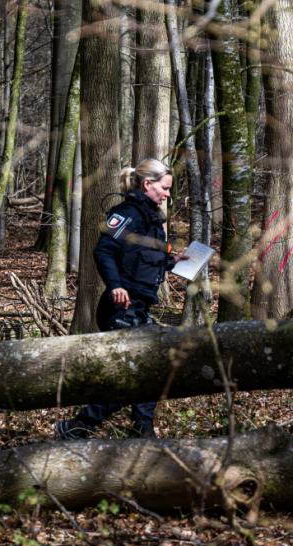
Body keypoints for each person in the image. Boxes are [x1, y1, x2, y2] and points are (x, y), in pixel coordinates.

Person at [55, 158, 183, 440]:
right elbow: (104, 250)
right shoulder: (126, 214)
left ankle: (139, 431)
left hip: (140, 308)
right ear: (147, 184)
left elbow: (146, 260)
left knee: (150, 370)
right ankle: (82, 426)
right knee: (142, 373)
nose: (167, 194)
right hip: (120, 308)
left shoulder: (152, 220)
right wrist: (115, 286)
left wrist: (173, 260)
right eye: (164, 188)